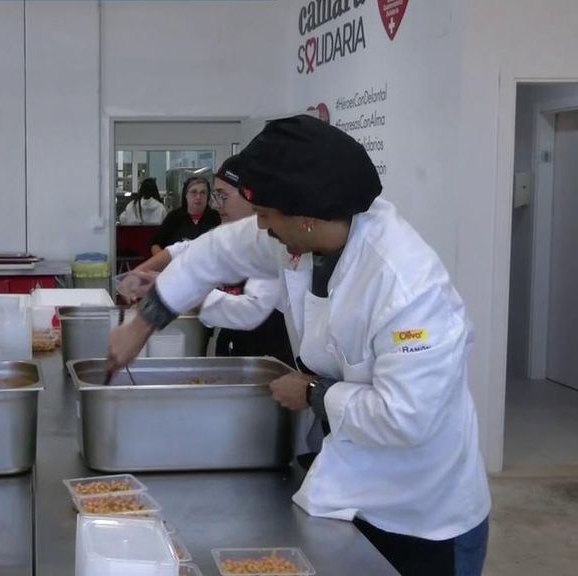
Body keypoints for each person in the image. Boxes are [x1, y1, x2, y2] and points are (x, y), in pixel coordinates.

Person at [108, 115, 490, 576]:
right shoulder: (305, 236)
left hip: (421, 513)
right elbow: (216, 251)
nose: (259, 227)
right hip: (351, 486)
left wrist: (314, 393)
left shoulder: (406, 286)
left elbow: (406, 417)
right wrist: (144, 322)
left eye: (266, 216)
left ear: (305, 220)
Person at [125, 162, 293, 365]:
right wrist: (137, 275)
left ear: (250, 196)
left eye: (222, 196)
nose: (215, 204)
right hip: (233, 350)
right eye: (215, 196)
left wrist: (179, 291)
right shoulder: (234, 235)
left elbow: (248, 311)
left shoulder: (277, 242)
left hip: (267, 360)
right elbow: (184, 249)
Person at [150, 175, 221, 255]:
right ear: (186, 195)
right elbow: (156, 245)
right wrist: (167, 264)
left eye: (203, 193)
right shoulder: (174, 217)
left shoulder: (216, 218)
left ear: (208, 196)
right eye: (194, 192)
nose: (198, 197)